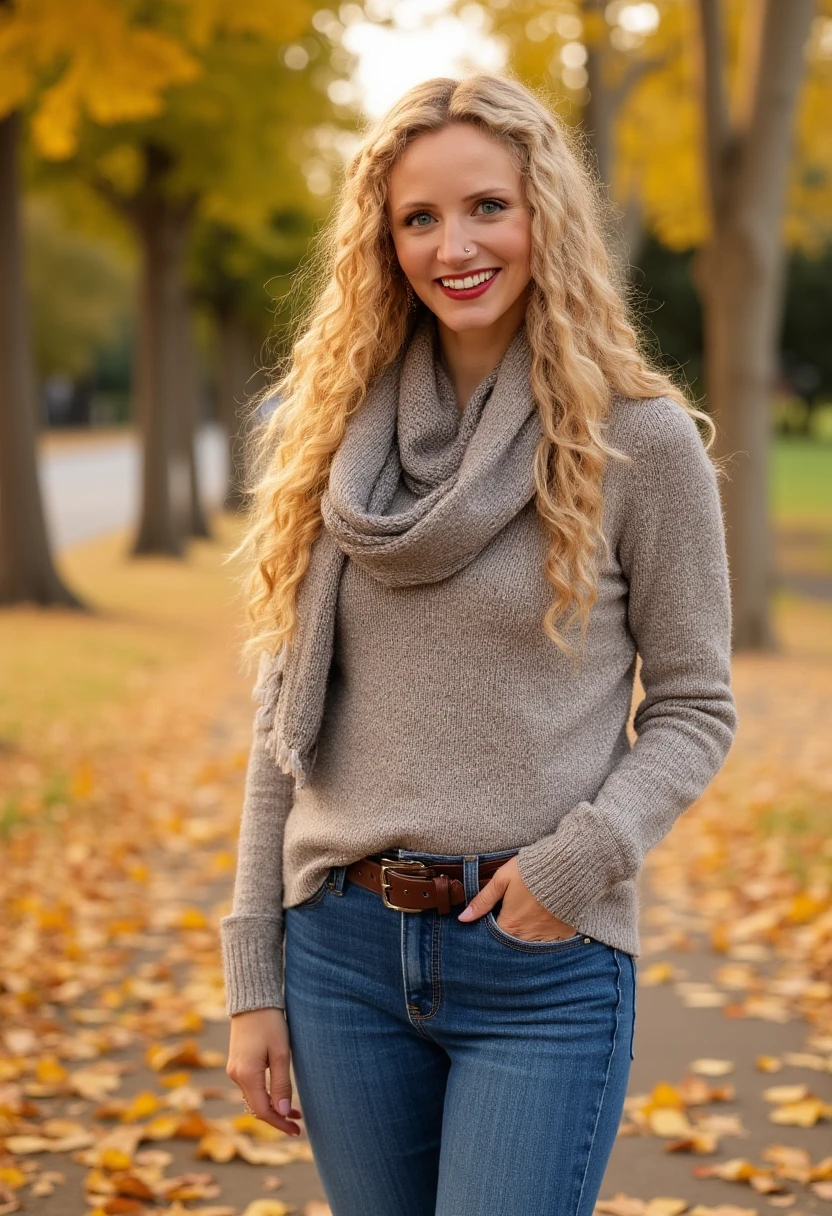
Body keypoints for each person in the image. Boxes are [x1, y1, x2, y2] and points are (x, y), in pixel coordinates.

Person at [221, 73, 738, 1216]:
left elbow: (697, 702)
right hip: (340, 954)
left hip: (540, 959)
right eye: (419, 217)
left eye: (486, 207)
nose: (454, 244)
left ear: (542, 212)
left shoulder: (637, 444)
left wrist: (579, 862)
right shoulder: (334, 448)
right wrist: (253, 972)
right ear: (383, 239)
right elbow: (285, 726)